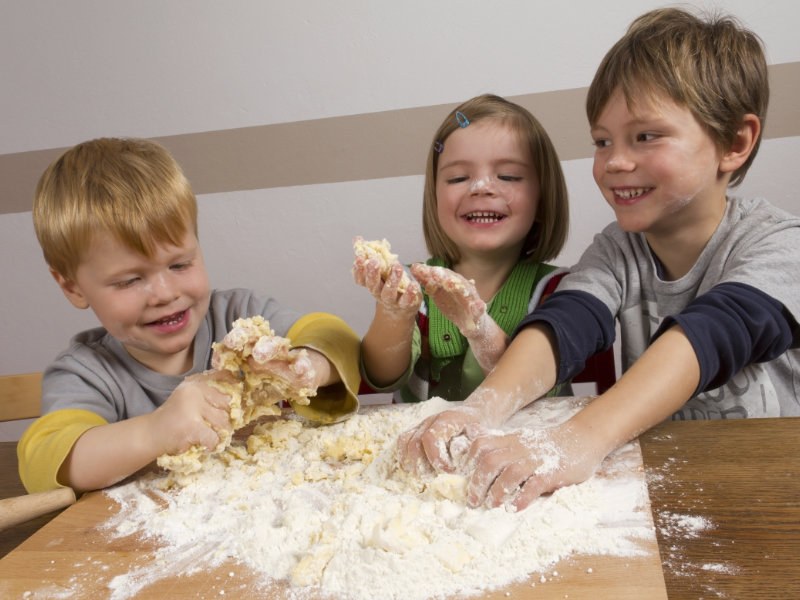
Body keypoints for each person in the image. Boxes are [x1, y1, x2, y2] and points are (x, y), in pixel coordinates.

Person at [398, 7, 800, 511]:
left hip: (774, 489)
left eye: (646, 136)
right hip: (667, 485)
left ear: (734, 143)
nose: (615, 161)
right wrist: (481, 408)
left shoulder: (780, 245)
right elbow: (566, 323)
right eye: (602, 141)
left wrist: (577, 439)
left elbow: (711, 335)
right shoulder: (617, 249)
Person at [18, 137, 360, 495]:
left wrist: (306, 367)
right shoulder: (86, 374)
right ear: (73, 287)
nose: (165, 293)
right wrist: (155, 431)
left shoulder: (239, 316)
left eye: (180, 264)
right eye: (130, 281)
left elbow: (337, 339)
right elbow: (44, 463)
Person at [353, 94, 570, 403]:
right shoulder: (414, 287)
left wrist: (480, 330)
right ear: (434, 199)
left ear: (543, 198)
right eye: (458, 178)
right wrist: (394, 314)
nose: (481, 188)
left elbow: (533, 385)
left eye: (508, 176)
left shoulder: (561, 291)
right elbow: (382, 377)